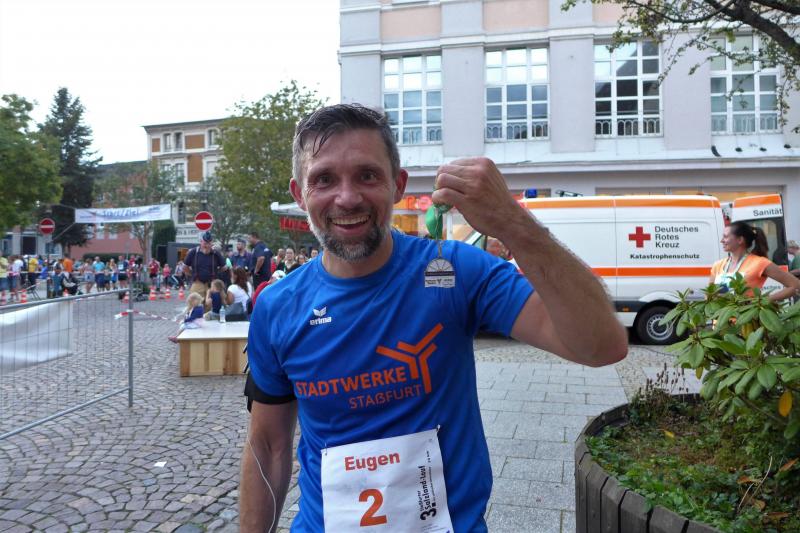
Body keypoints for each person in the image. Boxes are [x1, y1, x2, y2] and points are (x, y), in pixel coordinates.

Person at [240, 104, 627, 532]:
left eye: (368, 175)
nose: (347, 198)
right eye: (324, 179)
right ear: (300, 194)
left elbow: (602, 346)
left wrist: (512, 222)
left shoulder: (455, 270)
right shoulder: (277, 307)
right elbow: (269, 445)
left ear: (398, 185)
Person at [710, 221, 800, 302]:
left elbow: (796, 285)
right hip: (721, 315)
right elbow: (710, 294)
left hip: (747, 315)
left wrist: (764, 300)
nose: (721, 241)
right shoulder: (718, 265)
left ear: (740, 240)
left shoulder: (760, 263)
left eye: (725, 237)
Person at [183, 231, 228, 303]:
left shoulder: (215, 253)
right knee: (195, 303)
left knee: (214, 304)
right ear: (201, 242)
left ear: (211, 243)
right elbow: (185, 267)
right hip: (197, 283)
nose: (207, 246)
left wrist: (216, 272)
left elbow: (224, 267)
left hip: (212, 284)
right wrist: (193, 274)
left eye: (209, 244)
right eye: (205, 243)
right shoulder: (193, 252)